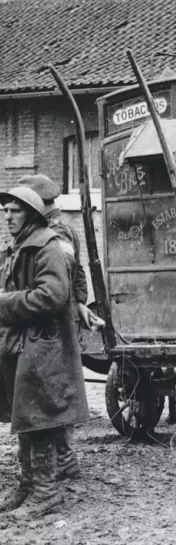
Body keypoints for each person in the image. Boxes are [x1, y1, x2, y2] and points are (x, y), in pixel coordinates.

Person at [0, 186, 89, 519]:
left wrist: (4, 302)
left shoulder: (47, 246)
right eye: (5, 210)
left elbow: (50, 297)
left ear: (32, 215)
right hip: (21, 344)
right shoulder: (20, 246)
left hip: (42, 347)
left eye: (15, 211)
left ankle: (46, 494)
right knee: (26, 420)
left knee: (39, 421)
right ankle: (28, 485)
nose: (7, 216)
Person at [18, 173, 103, 481]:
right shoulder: (58, 228)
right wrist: (81, 301)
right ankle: (64, 459)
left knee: (52, 393)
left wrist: (75, 304)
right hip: (61, 317)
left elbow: (67, 272)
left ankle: (64, 460)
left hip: (53, 323)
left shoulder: (55, 233)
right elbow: (79, 273)